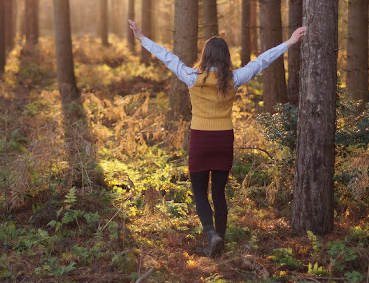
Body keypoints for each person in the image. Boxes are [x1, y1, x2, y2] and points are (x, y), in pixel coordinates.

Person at [128, 19, 307, 257]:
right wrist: (290, 42)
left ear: (206, 56)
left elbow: (167, 56)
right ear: (226, 57)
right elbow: (262, 61)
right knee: (219, 194)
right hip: (224, 140)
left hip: (200, 140)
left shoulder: (192, 76)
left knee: (200, 192)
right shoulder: (235, 78)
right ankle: (218, 244)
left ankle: (211, 235)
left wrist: (141, 38)